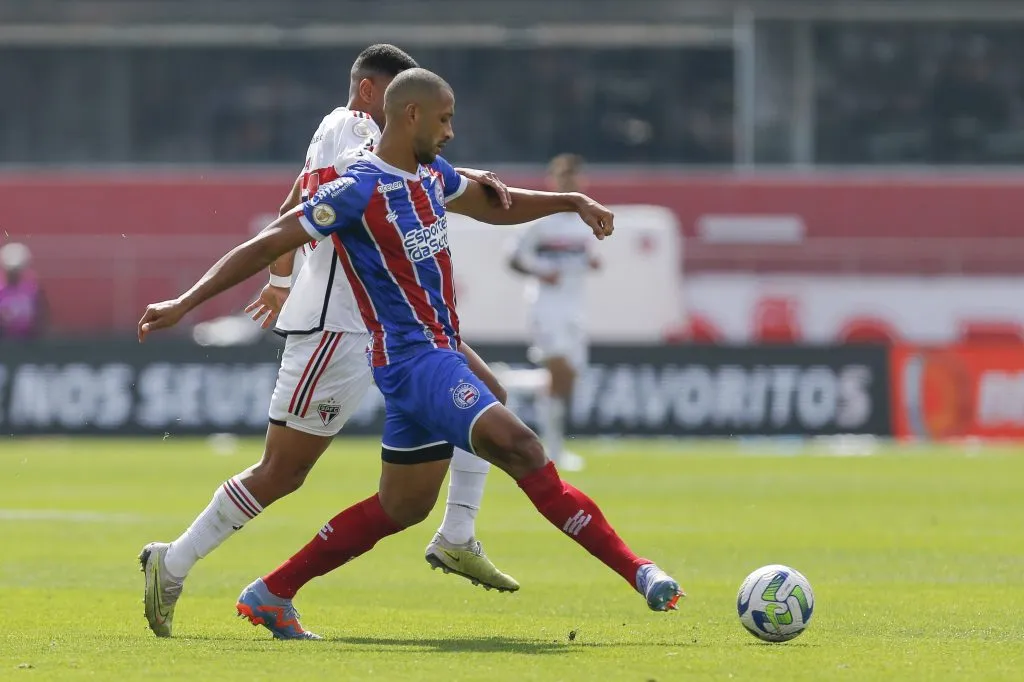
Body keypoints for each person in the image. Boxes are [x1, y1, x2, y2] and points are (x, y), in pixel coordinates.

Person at [137, 68, 683, 640]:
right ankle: (638, 571)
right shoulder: (357, 188)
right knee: (521, 447)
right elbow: (271, 240)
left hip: (430, 355)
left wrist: (568, 200)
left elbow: (495, 206)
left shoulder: (431, 174)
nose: (452, 131)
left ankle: (273, 591)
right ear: (411, 115)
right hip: (412, 359)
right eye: (445, 118)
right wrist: (185, 301)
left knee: (402, 505)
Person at [139, 45, 518, 640]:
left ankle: (458, 534)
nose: (412, 119)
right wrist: (212, 294)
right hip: (339, 326)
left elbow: (295, 202)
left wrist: (280, 276)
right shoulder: (352, 129)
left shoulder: (335, 135)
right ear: (373, 94)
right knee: (282, 472)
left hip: (387, 325)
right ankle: (175, 561)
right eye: (405, 103)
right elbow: (377, 178)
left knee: (486, 397)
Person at [509, 154, 599, 472]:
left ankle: (510, 383)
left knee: (567, 378)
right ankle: (554, 450)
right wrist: (542, 270)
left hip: (575, 307)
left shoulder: (585, 223)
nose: (569, 183)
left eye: (574, 178)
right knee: (558, 371)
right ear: (554, 181)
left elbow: (587, 257)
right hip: (546, 306)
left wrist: (590, 264)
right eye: (563, 178)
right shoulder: (540, 221)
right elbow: (514, 259)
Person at [0, 242, 46, 340]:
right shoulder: (1, 289)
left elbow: (41, 314)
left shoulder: (32, 288)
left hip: (27, 341)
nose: (13, 274)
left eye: (16, 271)